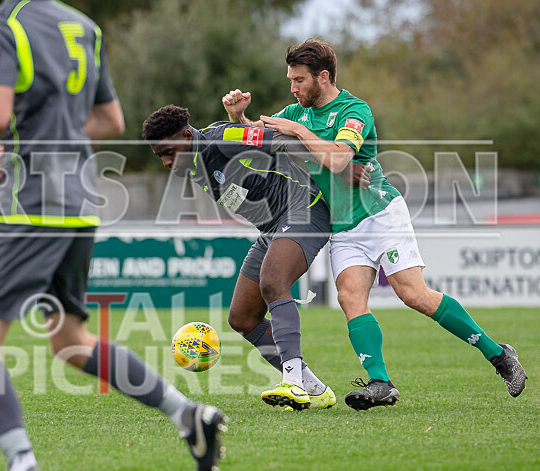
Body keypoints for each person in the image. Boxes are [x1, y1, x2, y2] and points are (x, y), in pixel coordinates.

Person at [0, 1, 226, 471]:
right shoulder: (85, 26)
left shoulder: (1, 23)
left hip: (31, 207)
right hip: (79, 201)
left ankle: (24, 469)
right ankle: (189, 416)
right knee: (71, 341)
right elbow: (110, 119)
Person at [222, 38, 527, 409]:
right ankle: (381, 384)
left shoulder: (355, 110)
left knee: (412, 294)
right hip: (342, 225)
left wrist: (300, 134)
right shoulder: (295, 111)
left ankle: (499, 355)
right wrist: (238, 116)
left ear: (323, 76)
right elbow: (258, 135)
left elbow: (339, 159)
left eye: (299, 80)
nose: (293, 88)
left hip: (380, 213)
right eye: (290, 80)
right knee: (351, 299)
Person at [143, 105, 369, 412]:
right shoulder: (192, 162)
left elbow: (280, 140)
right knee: (243, 318)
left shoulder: (221, 138)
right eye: (160, 156)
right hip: (272, 228)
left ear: (186, 135)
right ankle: (314, 388)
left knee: (273, 282)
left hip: (304, 207)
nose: (167, 162)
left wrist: (339, 167)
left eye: (169, 151)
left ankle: (293, 382)